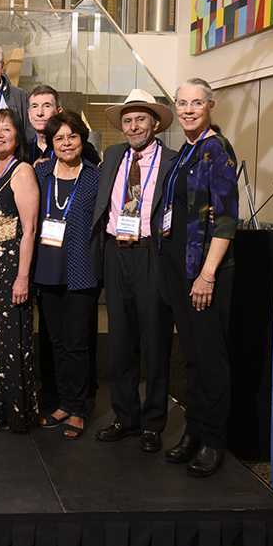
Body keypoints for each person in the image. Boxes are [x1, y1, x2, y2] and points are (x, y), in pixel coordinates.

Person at [89, 89, 176, 453]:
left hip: (150, 256)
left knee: (155, 341)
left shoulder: (172, 160)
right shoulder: (111, 156)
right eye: (127, 120)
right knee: (121, 340)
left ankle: (154, 423)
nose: (134, 126)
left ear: (155, 123)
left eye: (141, 119)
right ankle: (125, 416)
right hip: (115, 253)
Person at [161, 78, 238, 477]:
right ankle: (193, 430)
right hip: (178, 268)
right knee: (191, 357)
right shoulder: (184, 152)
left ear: (210, 106)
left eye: (196, 103)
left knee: (210, 359)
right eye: (182, 103)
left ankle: (213, 440)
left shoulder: (215, 149)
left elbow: (225, 221)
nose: (188, 109)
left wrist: (207, 275)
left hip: (204, 271)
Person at [32, 111, 101, 440]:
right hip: (47, 267)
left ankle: (77, 408)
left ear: (81, 139)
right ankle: (62, 402)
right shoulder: (41, 172)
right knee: (56, 342)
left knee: (76, 343)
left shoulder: (95, 176)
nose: (66, 143)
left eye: (72, 136)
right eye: (59, 138)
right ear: (50, 143)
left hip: (81, 270)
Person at [0, 108, 39, 431]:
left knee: (8, 340)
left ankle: (12, 413)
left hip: (9, 270)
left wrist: (22, 277)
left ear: (18, 138)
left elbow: (28, 229)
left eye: (7, 130)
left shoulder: (21, 171)